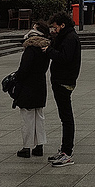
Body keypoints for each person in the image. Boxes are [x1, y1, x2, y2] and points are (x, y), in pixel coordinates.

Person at [46, 12, 81, 166]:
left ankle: (67, 153)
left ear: (62, 25)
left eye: (55, 27)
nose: (54, 30)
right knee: (64, 117)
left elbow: (64, 58)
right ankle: (64, 150)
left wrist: (48, 51)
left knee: (66, 118)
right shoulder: (66, 36)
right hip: (61, 80)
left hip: (64, 81)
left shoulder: (70, 38)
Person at [13, 20, 51, 158]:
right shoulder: (45, 48)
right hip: (40, 84)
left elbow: (24, 69)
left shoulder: (31, 48)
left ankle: (26, 147)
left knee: (27, 117)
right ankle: (39, 145)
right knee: (39, 116)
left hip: (28, 86)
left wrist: (18, 79)